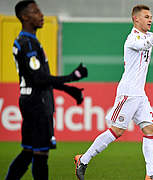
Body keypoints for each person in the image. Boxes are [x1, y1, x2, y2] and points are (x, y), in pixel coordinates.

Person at [74, 4, 153, 180]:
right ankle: (83, 159)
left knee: (150, 129)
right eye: (146, 17)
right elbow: (147, 44)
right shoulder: (132, 39)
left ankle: (151, 173)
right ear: (136, 19)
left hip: (139, 94)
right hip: (128, 93)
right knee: (116, 131)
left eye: (151, 16)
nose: (150, 19)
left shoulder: (148, 35)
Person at [5, 1, 88, 179]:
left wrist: (69, 89)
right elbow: (39, 78)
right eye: (35, 12)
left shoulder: (28, 42)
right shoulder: (27, 44)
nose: (41, 15)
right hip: (37, 103)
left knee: (28, 153)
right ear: (24, 17)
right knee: (41, 156)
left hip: (31, 99)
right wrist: (72, 76)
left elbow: (41, 78)